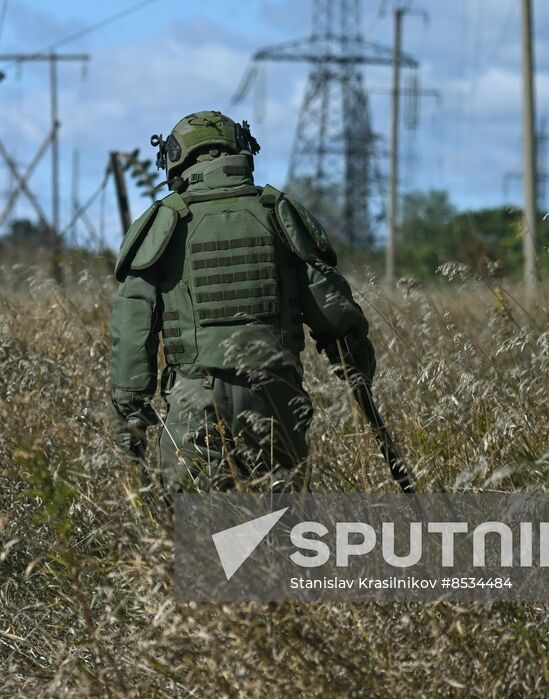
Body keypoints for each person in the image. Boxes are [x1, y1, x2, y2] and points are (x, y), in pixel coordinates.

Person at [108, 110, 378, 492]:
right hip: (275, 396)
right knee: (280, 514)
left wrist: (130, 416)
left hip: (195, 400)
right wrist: (356, 371)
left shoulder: (163, 225)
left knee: (196, 520)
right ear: (241, 149)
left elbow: (133, 332)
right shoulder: (276, 213)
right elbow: (334, 313)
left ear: (176, 159)